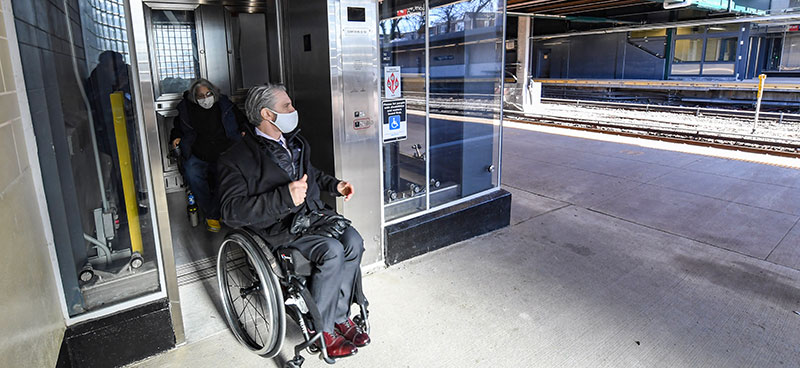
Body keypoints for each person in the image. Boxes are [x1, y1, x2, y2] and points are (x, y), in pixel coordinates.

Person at [217, 84, 370, 358]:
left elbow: (310, 174)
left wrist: (335, 186)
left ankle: (338, 316)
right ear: (267, 114)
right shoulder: (235, 159)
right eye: (287, 106)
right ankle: (320, 330)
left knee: (354, 242)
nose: (293, 110)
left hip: (314, 218)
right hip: (280, 228)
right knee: (332, 251)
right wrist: (284, 197)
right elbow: (230, 211)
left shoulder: (296, 142)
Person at [170, 79, 246, 232]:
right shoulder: (187, 110)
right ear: (194, 98)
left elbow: (242, 120)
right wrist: (175, 138)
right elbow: (177, 128)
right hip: (199, 153)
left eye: (208, 94)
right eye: (201, 96)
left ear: (214, 93)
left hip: (225, 152)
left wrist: (244, 130)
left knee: (226, 176)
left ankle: (212, 214)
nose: (205, 98)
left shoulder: (225, 105)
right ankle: (213, 212)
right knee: (192, 173)